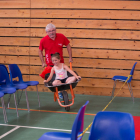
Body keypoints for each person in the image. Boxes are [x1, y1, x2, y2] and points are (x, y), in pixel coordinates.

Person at [39, 23, 73, 98]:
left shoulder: (61, 36)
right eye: (49, 31)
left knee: (63, 78)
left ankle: (60, 90)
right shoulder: (43, 40)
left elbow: (68, 45)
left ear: (55, 30)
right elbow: (40, 51)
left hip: (61, 64)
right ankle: (59, 92)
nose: (51, 32)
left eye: (53, 30)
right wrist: (43, 62)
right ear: (47, 32)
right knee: (52, 79)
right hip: (50, 65)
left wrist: (70, 57)